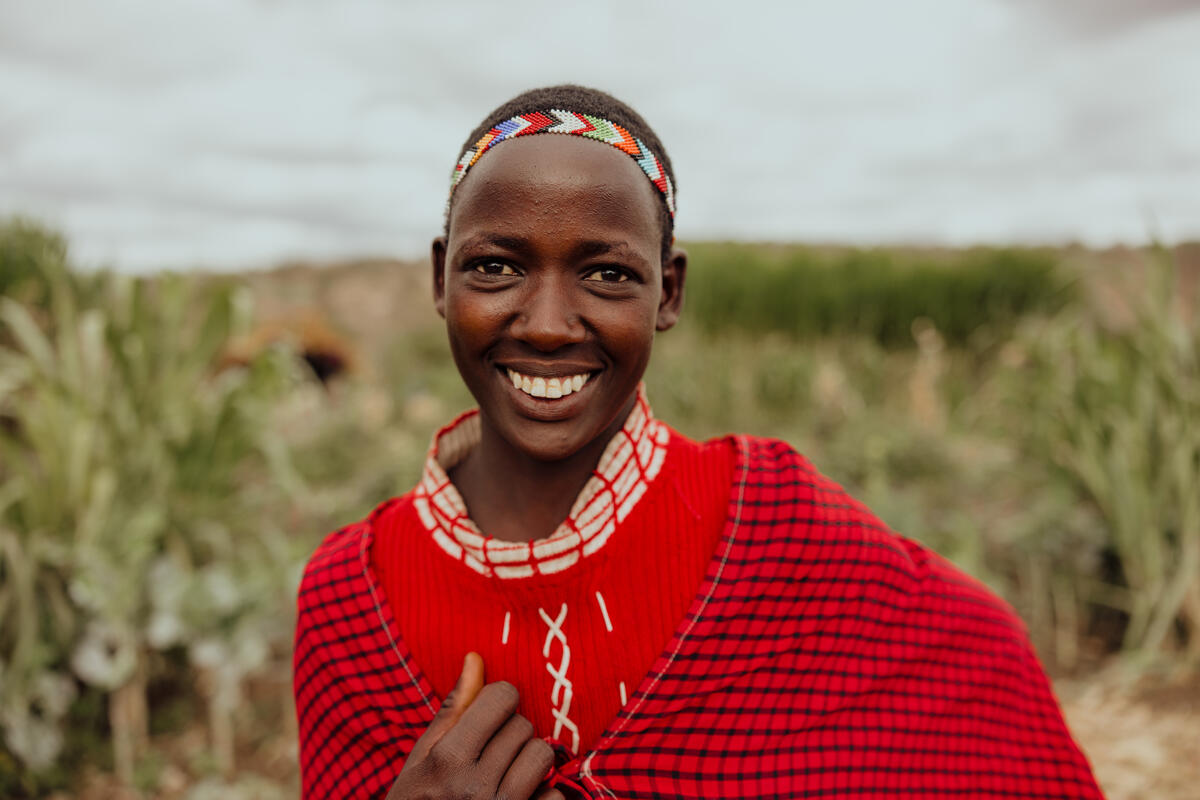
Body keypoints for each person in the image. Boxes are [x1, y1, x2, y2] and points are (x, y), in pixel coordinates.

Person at [292, 85, 1104, 800]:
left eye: (607, 274)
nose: (544, 324)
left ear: (668, 292)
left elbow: (980, 665)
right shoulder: (347, 600)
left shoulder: (773, 524)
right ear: (441, 281)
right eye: (497, 267)